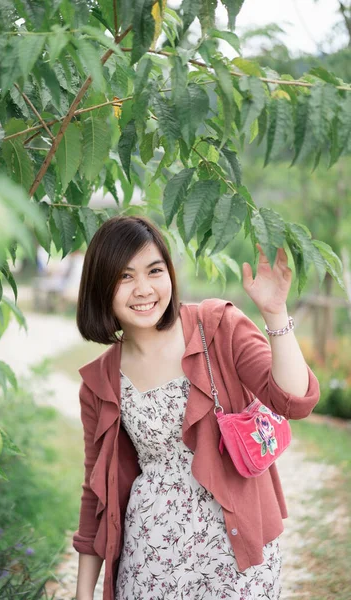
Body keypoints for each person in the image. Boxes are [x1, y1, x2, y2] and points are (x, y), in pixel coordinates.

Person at [72, 215, 320, 600]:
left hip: (236, 560)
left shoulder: (217, 326)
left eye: (154, 271)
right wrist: (83, 592)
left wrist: (274, 313)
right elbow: (96, 491)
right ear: (101, 287)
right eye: (124, 277)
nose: (143, 289)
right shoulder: (100, 381)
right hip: (150, 561)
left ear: (169, 272)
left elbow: (294, 400)